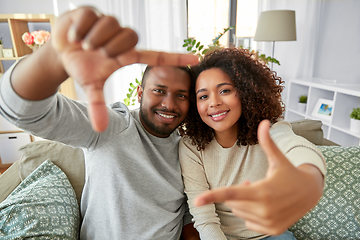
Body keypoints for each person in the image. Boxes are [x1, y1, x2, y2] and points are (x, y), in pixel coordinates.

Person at [0, 7, 200, 240]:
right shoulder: (113, 126)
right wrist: (53, 59)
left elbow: (189, 211)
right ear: (140, 93)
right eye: (159, 91)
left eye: (181, 95)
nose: (169, 104)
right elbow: (23, 111)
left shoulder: (187, 148)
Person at [178, 48, 326, 240]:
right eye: (203, 96)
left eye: (225, 90)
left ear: (245, 92)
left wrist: (309, 176)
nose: (213, 103)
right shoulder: (191, 146)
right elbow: (205, 220)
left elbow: (296, 147)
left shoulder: (269, 130)